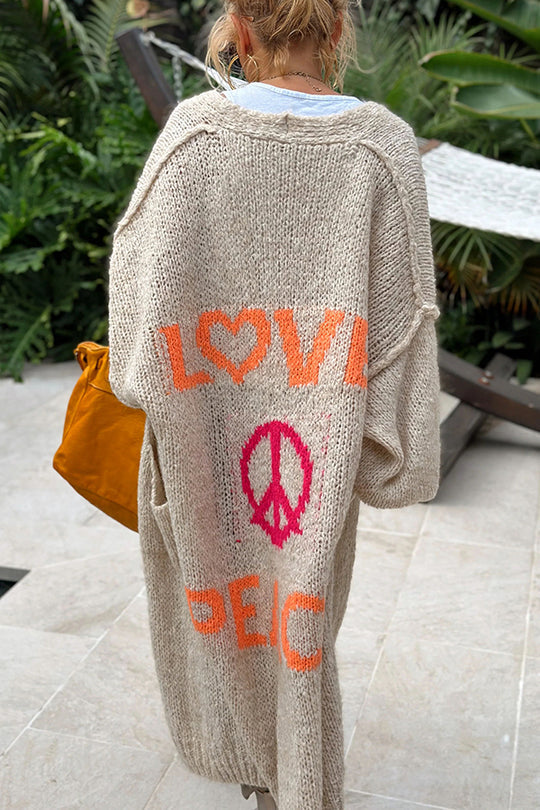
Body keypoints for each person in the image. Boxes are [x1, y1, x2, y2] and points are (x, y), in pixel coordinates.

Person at [107, 1, 441, 808]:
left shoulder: (191, 136)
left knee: (219, 617)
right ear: (337, 32)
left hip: (199, 451)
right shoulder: (381, 147)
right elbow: (405, 324)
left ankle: (267, 775)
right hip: (317, 459)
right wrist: (390, 454)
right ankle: (289, 778)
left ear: (241, 32)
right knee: (299, 624)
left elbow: (134, 324)